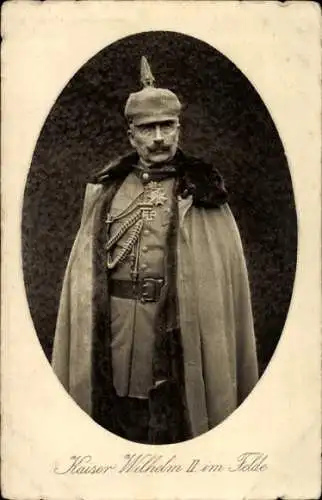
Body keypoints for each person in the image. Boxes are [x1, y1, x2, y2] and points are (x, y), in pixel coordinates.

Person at [51, 56, 258, 444]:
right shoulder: (105, 191)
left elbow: (217, 277)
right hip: (113, 330)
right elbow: (83, 272)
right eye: (148, 128)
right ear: (131, 135)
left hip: (179, 329)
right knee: (115, 417)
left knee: (173, 422)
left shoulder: (202, 194)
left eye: (167, 126)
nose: (159, 137)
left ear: (180, 129)